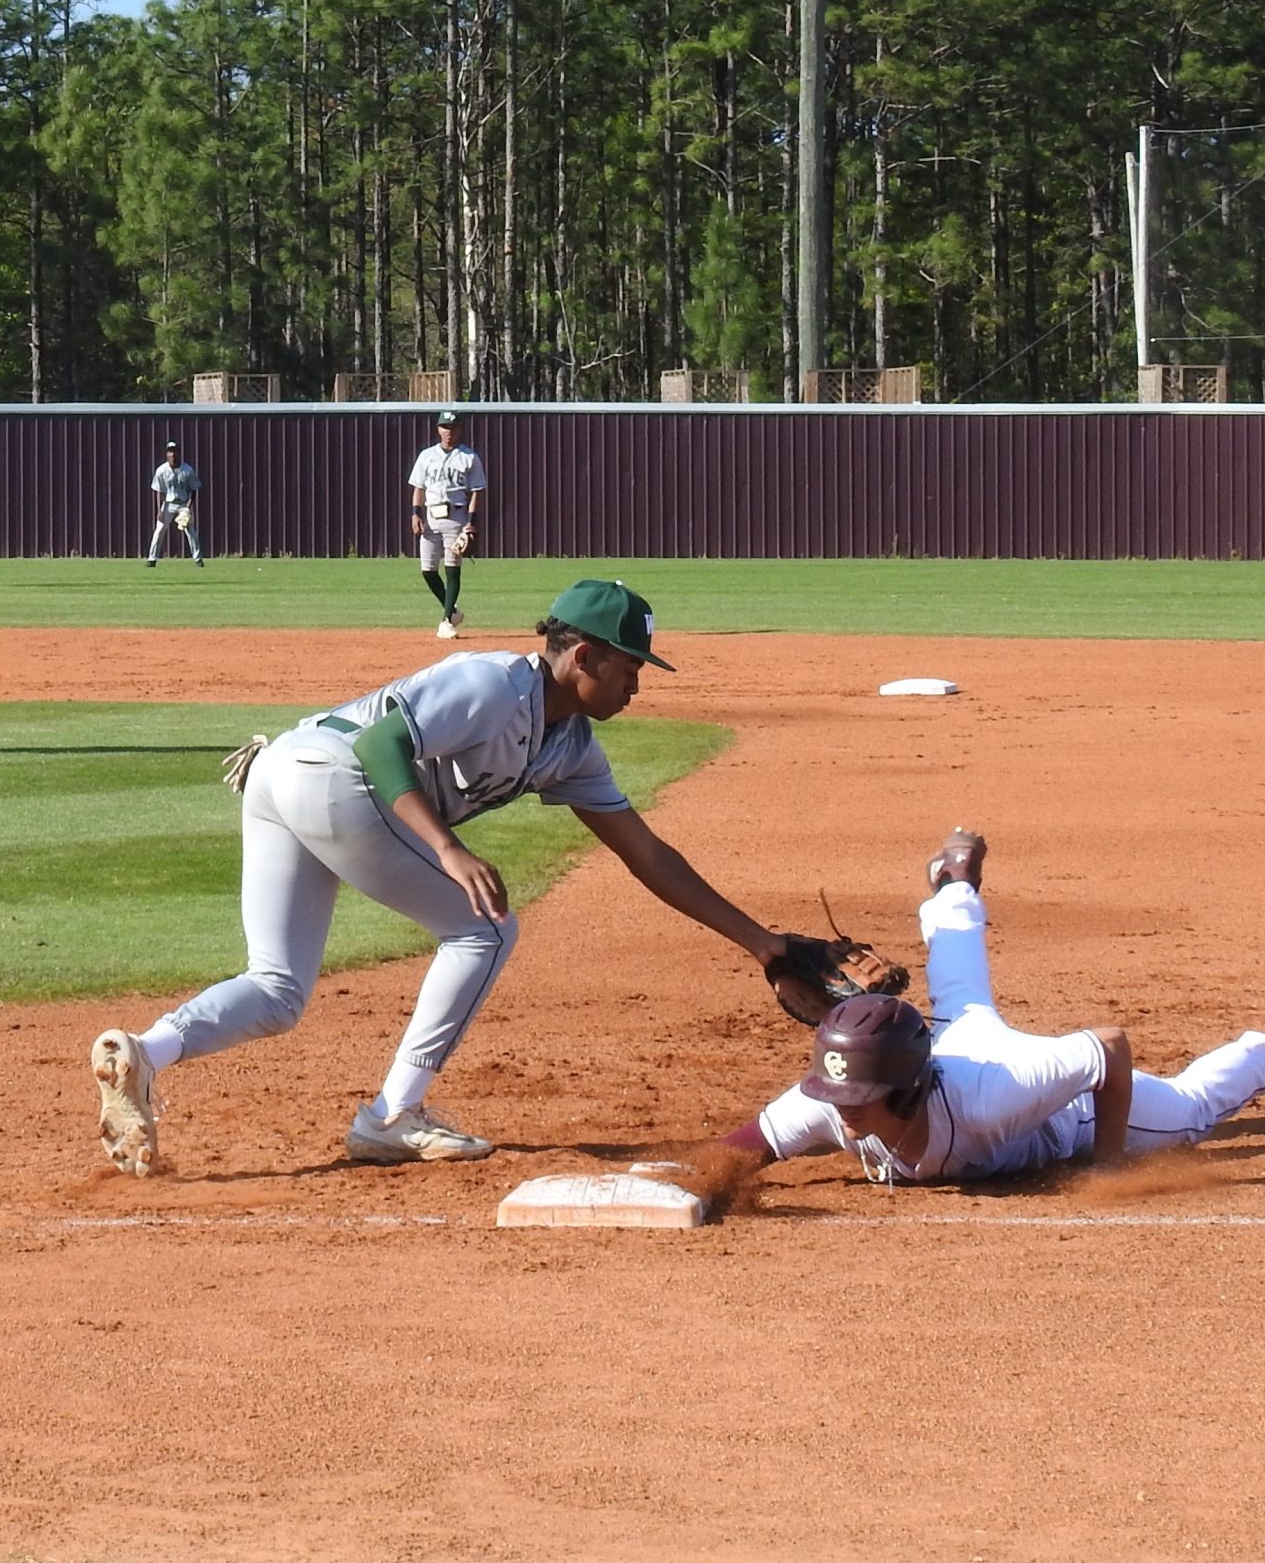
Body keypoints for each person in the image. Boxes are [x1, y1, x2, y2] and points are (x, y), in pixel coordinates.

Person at [89, 579, 793, 1173]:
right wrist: (448, 851)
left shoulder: (573, 747)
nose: (638, 683)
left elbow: (647, 853)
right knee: (484, 929)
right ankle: (393, 1113)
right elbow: (381, 743)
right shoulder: (491, 682)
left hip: (293, 775)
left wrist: (763, 944)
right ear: (584, 655)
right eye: (629, 667)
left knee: (277, 990)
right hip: (324, 770)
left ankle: (146, 1052)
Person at [706, 829, 1265, 1191]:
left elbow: (1108, 1048)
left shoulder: (1000, 1097)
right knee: (963, 999)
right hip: (961, 1045)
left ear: (901, 1093)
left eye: (857, 1099)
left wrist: (1108, 1162)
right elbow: (739, 1149)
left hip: (1060, 1111)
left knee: (1191, 1111)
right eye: (836, 1094)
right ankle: (954, 883)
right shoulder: (834, 1092)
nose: (839, 1110)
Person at [407, 409, 485, 638]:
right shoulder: (426, 456)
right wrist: (415, 514)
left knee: (452, 569)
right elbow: (418, 488)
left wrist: (471, 522)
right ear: (438, 429)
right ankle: (453, 610)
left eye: (452, 427)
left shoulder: (469, 457)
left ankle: (446, 621)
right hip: (431, 516)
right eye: (444, 427)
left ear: (459, 430)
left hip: (456, 515)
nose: (448, 432)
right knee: (428, 570)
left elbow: (476, 492)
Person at [147, 439, 204, 567]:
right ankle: (152, 558)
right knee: (160, 529)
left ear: (179, 453)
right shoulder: (161, 470)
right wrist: (159, 510)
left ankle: (197, 559)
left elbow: (194, 489)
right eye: (170, 452)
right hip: (168, 504)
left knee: (191, 531)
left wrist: (188, 508)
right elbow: (158, 491)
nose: (172, 455)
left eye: (175, 452)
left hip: (183, 504)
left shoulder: (187, 470)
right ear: (167, 454)